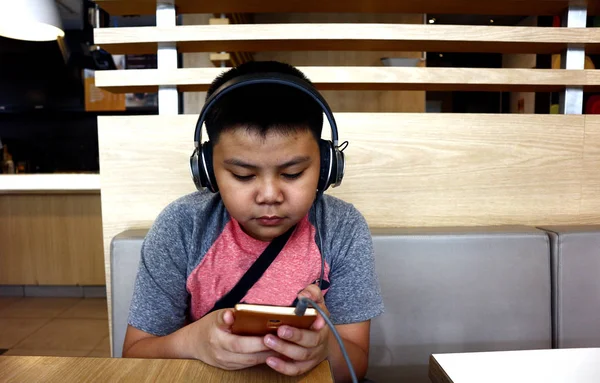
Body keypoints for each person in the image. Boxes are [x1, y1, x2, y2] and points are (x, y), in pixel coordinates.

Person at [122, 60, 384, 382]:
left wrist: (325, 347)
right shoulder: (182, 227)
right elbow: (134, 356)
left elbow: (356, 364)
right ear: (207, 170)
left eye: (293, 174)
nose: (269, 196)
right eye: (243, 175)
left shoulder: (342, 229)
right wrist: (193, 342)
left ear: (327, 165)